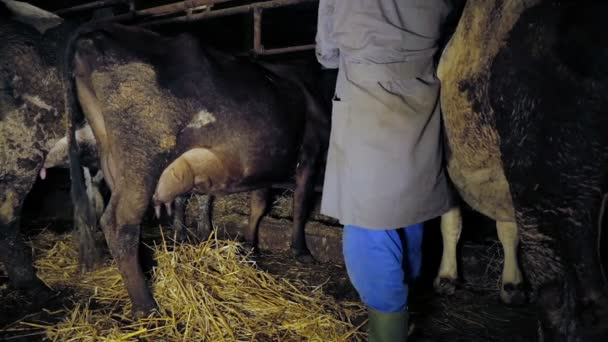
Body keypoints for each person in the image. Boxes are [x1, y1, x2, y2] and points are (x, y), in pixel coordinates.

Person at [315, 0, 453, 340]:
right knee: (409, 205)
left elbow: (326, 54)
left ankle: (388, 330)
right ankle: (406, 298)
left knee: (368, 221)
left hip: (366, 97)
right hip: (421, 94)